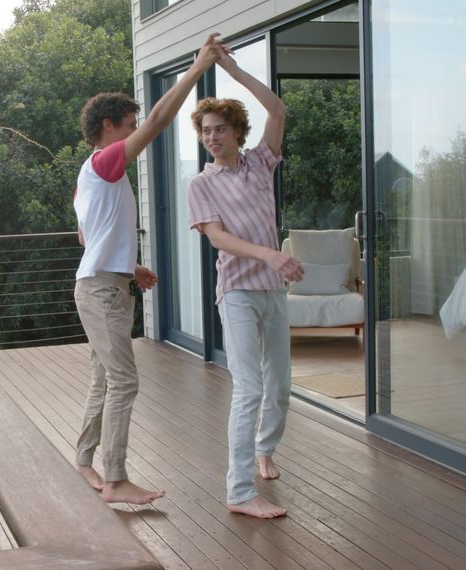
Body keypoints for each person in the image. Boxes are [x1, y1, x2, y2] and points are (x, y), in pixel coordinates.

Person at [73, 33, 228, 505]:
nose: (135, 130)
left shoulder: (91, 177)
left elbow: (88, 238)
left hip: (105, 284)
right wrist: (198, 66)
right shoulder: (104, 162)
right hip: (101, 291)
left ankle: (84, 462)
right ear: (109, 126)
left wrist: (130, 266)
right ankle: (116, 479)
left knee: (105, 378)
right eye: (129, 125)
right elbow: (161, 120)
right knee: (124, 381)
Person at [187, 50, 303, 518]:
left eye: (219, 129)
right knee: (249, 387)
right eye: (205, 130)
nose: (211, 137)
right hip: (236, 292)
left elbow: (277, 110)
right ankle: (238, 492)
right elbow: (218, 238)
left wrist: (231, 70)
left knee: (280, 385)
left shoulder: (260, 164)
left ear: (237, 132)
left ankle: (264, 448)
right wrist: (272, 255)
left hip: (272, 291)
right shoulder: (201, 184)